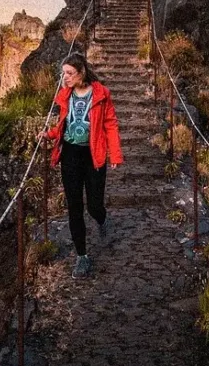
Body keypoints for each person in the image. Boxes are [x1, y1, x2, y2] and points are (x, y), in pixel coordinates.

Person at [37, 52, 124, 278]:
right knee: (74, 206)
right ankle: (82, 256)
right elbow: (64, 123)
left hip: (94, 155)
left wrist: (115, 155)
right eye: (63, 73)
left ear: (81, 72)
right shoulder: (65, 95)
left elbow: (111, 124)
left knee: (94, 205)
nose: (65, 77)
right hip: (70, 155)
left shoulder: (101, 94)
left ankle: (102, 219)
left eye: (69, 73)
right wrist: (50, 134)